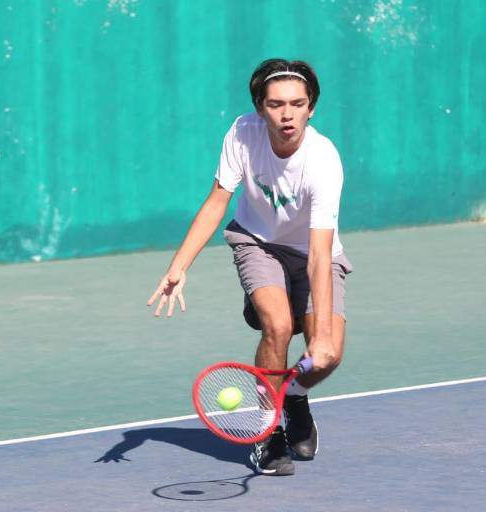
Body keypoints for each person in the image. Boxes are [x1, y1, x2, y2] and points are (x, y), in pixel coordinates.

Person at [147, 58, 352, 476]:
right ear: (261, 107)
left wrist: (324, 336)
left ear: (311, 107)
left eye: (297, 103)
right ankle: (265, 430)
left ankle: (292, 394)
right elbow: (218, 200)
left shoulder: (324, 161)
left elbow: (317, 254)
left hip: (314, 252)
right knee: (276, 325)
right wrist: (179, 266)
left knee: (327, 356)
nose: (287, 113)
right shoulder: (243, 133)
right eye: (276, 104)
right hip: (256, 241)